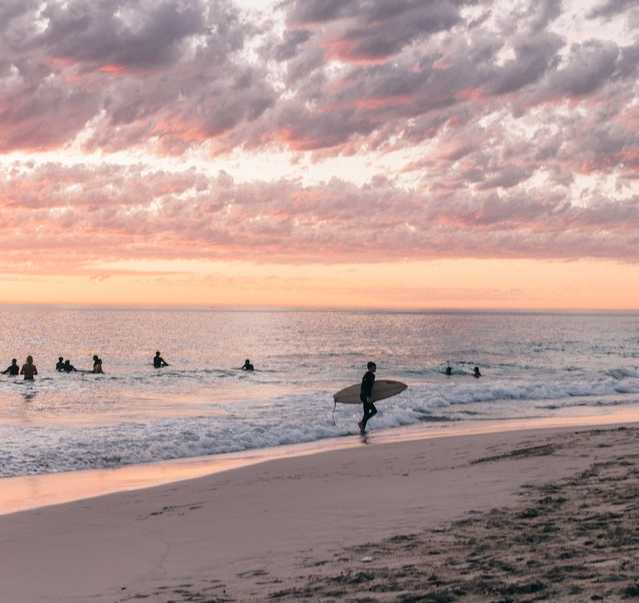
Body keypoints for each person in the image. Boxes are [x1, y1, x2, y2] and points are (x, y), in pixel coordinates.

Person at [358, 361, 377, 434]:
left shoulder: (367, 375)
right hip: (365, 396)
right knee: (374, 411)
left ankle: (362, 429)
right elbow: (367, 387)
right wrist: (368, 397)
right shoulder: (370, 375)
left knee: (366, 413)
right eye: (374, 367)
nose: (375, 368)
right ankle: (361, 423)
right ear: (370, 367)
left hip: (363, 395)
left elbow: (366, 387)